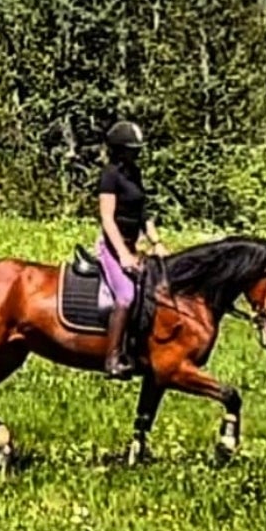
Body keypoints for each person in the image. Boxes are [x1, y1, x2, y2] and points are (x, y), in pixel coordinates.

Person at [97, 120, 168, 379]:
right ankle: (113, 358)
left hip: (132, 245)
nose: (136, 154)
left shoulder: (135, 174)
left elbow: (143, 214)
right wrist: (123, 255)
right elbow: (107, 218)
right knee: (126, 295)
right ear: (119, 150)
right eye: (131, 149)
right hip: (112, 246)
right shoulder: (110, 175)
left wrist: (156, 242)